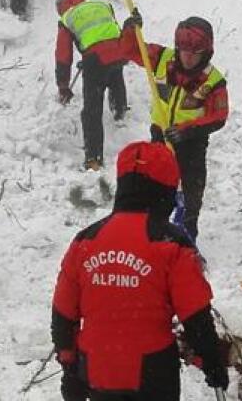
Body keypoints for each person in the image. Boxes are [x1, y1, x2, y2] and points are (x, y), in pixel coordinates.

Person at [51, 141, 230, 401]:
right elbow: (196, 316)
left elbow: (63, 313)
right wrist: (212, 360)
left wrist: (69, 366)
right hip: (153, 373)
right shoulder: (171, 243)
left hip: (98, 370)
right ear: (166, 191)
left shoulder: (85, 240)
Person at [118, 11, 228, 241]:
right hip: (160, 136)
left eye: (194, 53)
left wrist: (187, 129)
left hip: (191, 143)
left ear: (206, 52)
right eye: (184, 51)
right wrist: (130, 30)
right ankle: (154, 232)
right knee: (154, 185)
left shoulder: (213, 81)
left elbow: (219, 115)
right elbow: (130, 50)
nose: (188, 58)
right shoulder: (161, 59)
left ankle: (187, 236)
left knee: (191, 191)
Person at [54, 0, 128, 171]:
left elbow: (63, 55)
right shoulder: (101, 4)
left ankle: (93, 159)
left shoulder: (68, 18)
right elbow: (107, 33)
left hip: (96, 61)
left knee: (91, 112)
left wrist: (63, 85)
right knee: (115, 75)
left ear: (62, 6)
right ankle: (119, 110)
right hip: (119, 50)